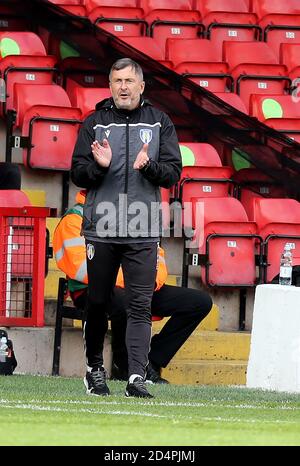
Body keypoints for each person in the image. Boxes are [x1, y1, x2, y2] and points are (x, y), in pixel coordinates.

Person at [71, 58, 182, 398]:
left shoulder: (160, 122)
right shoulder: (95, 122)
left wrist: (149, 166)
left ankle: (136, 377)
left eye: (129, 80)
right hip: (102, 229)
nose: (123, 86)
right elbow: (77, 172)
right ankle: (94, 369)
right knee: (99, 302)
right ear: (109, 85)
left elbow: (173, 173)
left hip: (143, 231)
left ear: (141, 86)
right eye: (117, 80)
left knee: (139, 307)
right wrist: (99, 167)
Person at [53, 190, 213, 385]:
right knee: (123, 301)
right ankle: (126, 366)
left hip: (136, 287)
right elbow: (83, 267)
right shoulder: (74, 219)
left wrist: (150, 282)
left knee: (199, 303)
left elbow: (156, 256)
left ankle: (149, 362)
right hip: (90, 290)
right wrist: (132, 282)